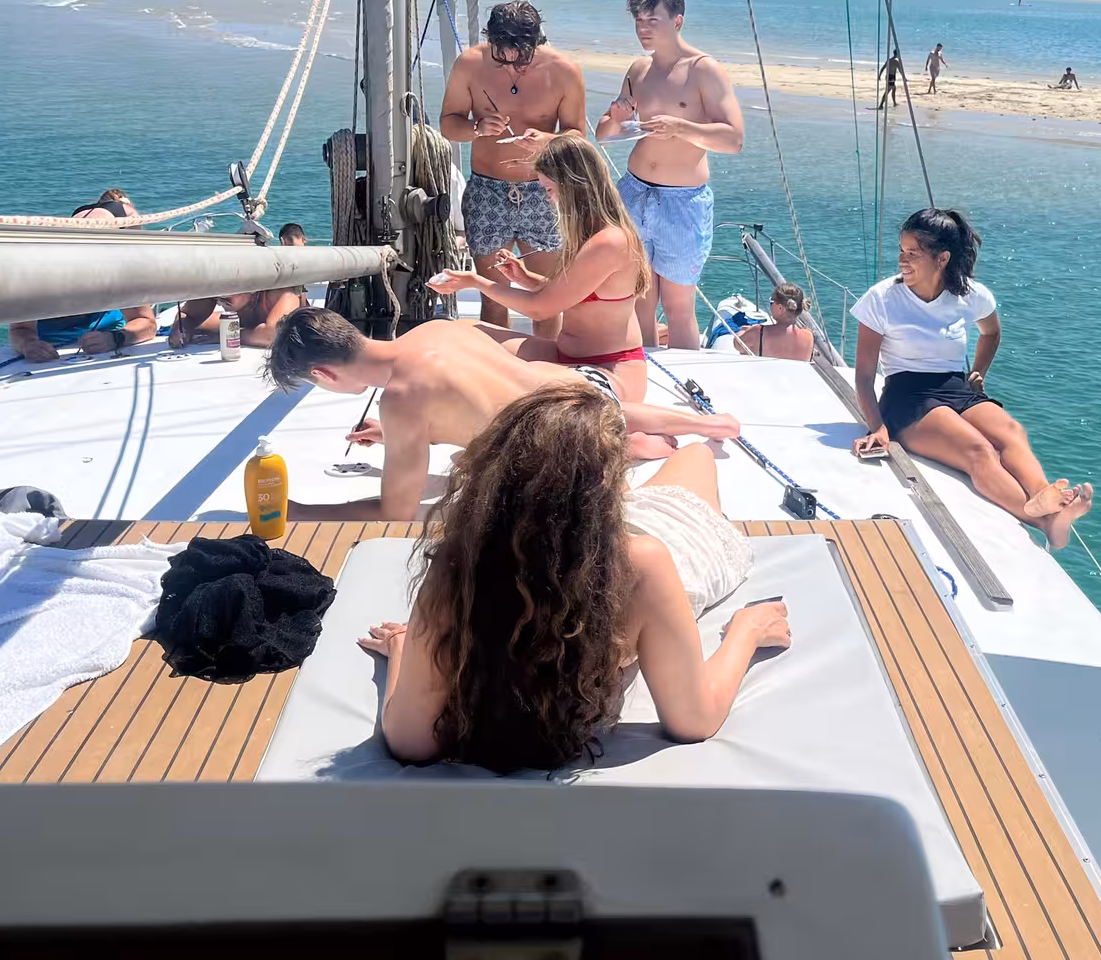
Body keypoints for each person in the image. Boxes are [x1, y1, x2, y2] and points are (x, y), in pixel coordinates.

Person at [358, 383, 791, 770]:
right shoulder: (641, 567)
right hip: (650, 544)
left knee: (690, 460)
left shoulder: (459, 567)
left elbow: (409, 742)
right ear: (604, 492)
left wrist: (402, 650)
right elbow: (694, 721)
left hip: (602, 539)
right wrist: (746, 632)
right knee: (697, 455)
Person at [266, 307, 741, 520]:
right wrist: (396, 433)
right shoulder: (436, 329)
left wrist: (301, 511)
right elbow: (480, 395)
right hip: (593, 389)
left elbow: (396, 512)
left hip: (575, 449)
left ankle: (636, 444)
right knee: (550, 393)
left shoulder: (402, 399)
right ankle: (698, 423)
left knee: (473, 466)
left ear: (325, 375)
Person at [850, 209, 1092, 549]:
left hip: (956, 387)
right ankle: (1046, 522)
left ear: (943, 258)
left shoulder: (969, 294)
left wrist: (979, 372)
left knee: (1012, 431)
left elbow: (991, 332)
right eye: (901, 251)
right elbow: (863, 376)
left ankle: (1042, 496)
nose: (902, 260)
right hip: (907, 397)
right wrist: (877, 426)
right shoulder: (882, 298)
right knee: (980, 450)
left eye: (912, 253)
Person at [431, 132, 651, 401]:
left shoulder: (609, 242)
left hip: (606, 369)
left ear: (572, 185)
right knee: (461, 334)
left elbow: (540, 309)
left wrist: (475, 281)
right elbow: (573, 294)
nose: (548, 199)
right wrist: (525, 279)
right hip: (571, 358)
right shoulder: (590, 234)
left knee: (492, 379)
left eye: (549, 189)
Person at [596, 0, 744, 351]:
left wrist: (681, 127)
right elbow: (604, 134)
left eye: (652, 20)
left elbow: (733, 139)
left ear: (677, 21)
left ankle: (686, 389)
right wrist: (615, 116)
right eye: (638, 21)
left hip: (683, 201)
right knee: (639, 298)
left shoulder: (703, 70)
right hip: (634, 191)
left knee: (679, 306)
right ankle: (643, 370)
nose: (643, 29)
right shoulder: (638, 70)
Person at [439, 1, 589, 339]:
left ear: (536, 43)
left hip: (543, 193)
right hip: (487, 192)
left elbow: (577, 135)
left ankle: (545, 375)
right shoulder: (470, 64)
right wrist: (477, 128)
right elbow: (448, 125)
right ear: (489, 40)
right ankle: (499, 370)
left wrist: (547, 140)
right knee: (493, 296)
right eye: (500, 54)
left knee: (546, 297)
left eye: (520, 57)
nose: (510, 64)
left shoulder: (564, 71)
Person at [8, 200, 156, 361]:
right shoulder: (37, 275)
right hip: (53, 353)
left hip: (108, 348)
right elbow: (20, 328)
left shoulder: (118, 270)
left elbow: (146, 323)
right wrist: (29, 345)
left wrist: (115, 338)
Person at [167, 285, 304, 350]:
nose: (222, 297)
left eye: (230, 289)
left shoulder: (284, 293)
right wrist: (179, 330)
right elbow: (187, 317)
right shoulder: (222, 294)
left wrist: (228, 335)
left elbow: (273, 335)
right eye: (218, 296)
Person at [734, 283, 815, 362]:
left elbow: (737, 344)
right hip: (796, 376)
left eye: (771, 302)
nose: (770, 305)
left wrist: (744, 331)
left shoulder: (760, 332)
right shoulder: (809, 335)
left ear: (780, 308)